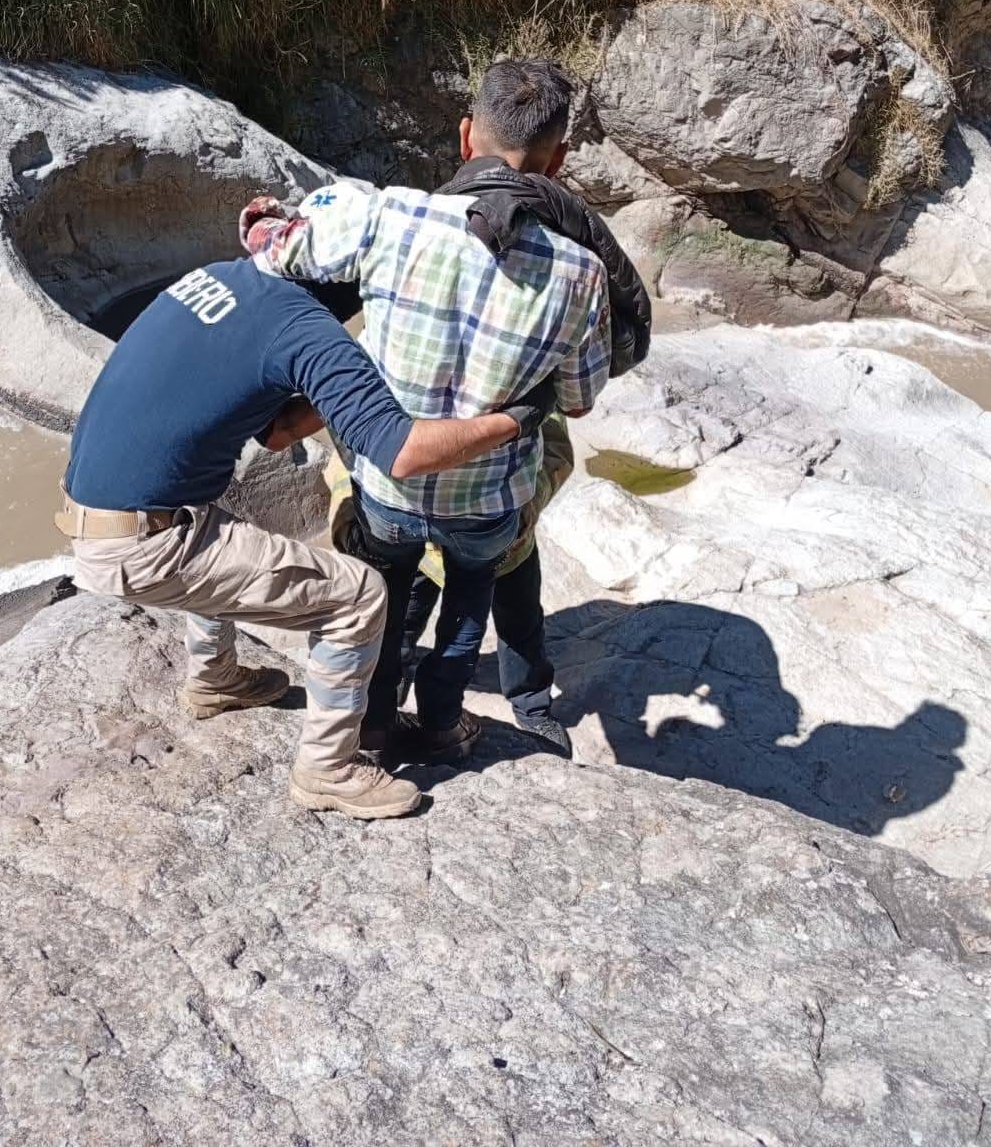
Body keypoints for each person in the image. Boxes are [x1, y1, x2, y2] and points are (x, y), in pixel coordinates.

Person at [55, 255, 528, 820]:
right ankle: (328, 769)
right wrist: (516, 421)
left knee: (221, 528)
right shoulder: (307, 329)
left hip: (103, 515)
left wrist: (335, 392)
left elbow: (276, 433)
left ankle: (215, 679)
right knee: (358, 594)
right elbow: (403, 453)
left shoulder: (220, 277)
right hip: (148, 546)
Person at [248, 60, 614, 762]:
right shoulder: (581, 272)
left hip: (387, 484)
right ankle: (445, 724)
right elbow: (579, 398)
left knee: (382, 602)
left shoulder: (389, 216)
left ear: (467, 133)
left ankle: (377, 724)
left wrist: (258, 222)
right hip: (487, 498)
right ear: (558, 161)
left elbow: (280, 251)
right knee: (467, 614)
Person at [327, 412, 576, 755]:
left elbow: (556, 446)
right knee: (401, 616)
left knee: (519, 622)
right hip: (415, 536)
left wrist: (523, 514)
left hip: (500, 539)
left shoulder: (523, 375)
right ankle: (393, 696)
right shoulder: (388, 374)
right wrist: (349, 521)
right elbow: (347, 449)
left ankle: (531, 706)